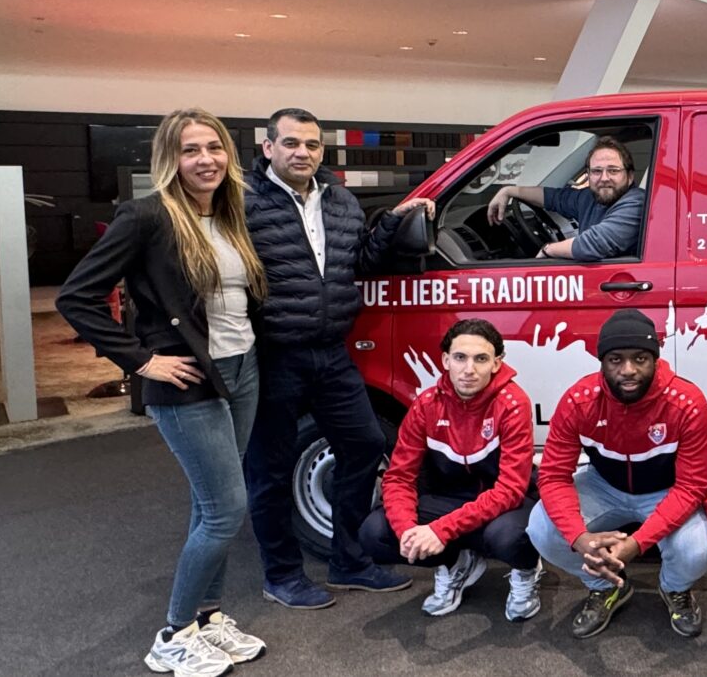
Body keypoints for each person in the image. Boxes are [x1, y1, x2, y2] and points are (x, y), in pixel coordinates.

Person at [58, 109, 271, 677]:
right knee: (226, 510)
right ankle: (174, 635)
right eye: (190, 150)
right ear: (169, 159)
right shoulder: (147, 216)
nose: (205, 160)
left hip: (242, 370)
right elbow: (76, 298)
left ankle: (208, 617)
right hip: (187, 379)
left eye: (214, 148)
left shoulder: (229, 214)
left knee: (211, 505)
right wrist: (142, 360)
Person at [242, 107, 437, 610]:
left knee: (365, 443)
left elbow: (361, 263)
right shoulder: (241, 202)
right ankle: (281, 576)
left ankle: (348, 562)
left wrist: (392, 222)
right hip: (274, 355)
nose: (302, 153)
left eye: (311, 144)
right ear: (268, 147)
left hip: (331, 352)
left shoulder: (340, 201)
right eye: (290, 143)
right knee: (269, 469)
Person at [526, 309, 707, 638]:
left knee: (696, 550)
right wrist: (579, 538)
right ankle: (606, 586)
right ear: (601, 361)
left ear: (655, 359)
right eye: (616, 359)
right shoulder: (578, 400)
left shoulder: (687, 402)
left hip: (667, 491)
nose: (628, 370)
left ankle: (674, 588)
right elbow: (554, 476)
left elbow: (691, 486)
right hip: (603, 486)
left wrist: (637, 544)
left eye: (640, 358)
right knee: (541, 528)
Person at [356, 319, 543, 620]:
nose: (469, 369)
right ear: (445, 360)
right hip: (449, 500)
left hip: (505, 506)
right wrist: (408, 531)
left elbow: (510, 490)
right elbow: (399, 478)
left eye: (480, 359)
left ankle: (525, 571)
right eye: (460, 357)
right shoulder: (426, 404)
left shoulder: (512, 403)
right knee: (374, 533)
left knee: (510, 537)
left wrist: (440, 530)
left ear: (496, 363)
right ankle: (456, 563)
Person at [485, 135, 645, 261]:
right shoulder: (590, 197)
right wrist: (509, 191)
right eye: (597, 171)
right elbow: (553, 197)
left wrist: (548, 250)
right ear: (588, 175)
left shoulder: (637, 203)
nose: (604, 178)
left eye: (613, 170)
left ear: (630, 176)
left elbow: (594, 244)